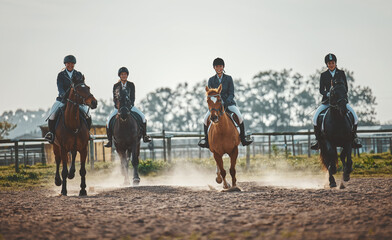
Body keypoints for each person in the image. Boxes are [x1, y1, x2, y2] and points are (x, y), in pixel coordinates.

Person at [198, 57, 253, 148]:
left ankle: (243, 139)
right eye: (217, 67)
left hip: (229, 104)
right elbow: (210, 94)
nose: (219, 68)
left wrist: (226, 102)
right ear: (214, 68)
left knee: (239, 116)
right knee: (205, 119)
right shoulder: (211, 80)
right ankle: (206, 140)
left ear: (223, 67)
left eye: (220, 66)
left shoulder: (228, 78)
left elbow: (231, 93)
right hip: (215, 106)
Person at [311, 53, 362, 150]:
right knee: (314, 119)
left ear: (335, 63)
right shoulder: (323, 75)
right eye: (329, 63)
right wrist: (327, 94)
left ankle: (354, 138)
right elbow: (321, 90)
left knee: (355, 117)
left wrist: (339, 96)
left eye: (333, 63)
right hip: (327, 102)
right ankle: (318, 140)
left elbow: (345, 88)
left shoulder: (341, 73)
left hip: (340, 102)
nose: (331, 65)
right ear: (327, 64)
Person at [44, 55, 92, 143]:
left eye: (72, 64)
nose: (70, 65)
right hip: (63, 99)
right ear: (65, 64)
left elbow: (82, 87)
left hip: (77, 100)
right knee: (52, 114)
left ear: (74, 64)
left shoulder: (78, 74)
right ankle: (51, 134)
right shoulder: (61, 75)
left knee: (87, 113)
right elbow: (60, 86)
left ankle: (88, 133)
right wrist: (63, 94)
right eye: (68, 63)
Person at [104, 67, 152, 147]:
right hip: (118, 108)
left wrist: (128, 106)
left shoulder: (131, 85)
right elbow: (115, 98)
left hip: (130, 107)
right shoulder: (116, 86)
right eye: (122, 74)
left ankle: (145, 136)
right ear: (120, 76)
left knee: (143, 117)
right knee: (108, 121)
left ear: (127, 75)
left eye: (125, 74)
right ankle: (109, 140)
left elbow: (132, 97)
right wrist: (118, 107)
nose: (124, 76)